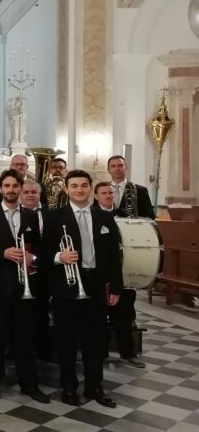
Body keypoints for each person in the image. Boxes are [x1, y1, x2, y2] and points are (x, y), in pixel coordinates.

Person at [42, 170, 122, 408]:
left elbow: (114, 256)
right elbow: (43, 252)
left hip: (96, 286)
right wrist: (59, 256)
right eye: (74, 186)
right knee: (66, 341)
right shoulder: (54, 217)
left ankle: (94, 386)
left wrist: (116, 287)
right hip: (66, 287)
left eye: (84, 185)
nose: (79, 190)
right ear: (67, 189)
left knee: (95, 340)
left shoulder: (104, 217)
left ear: (90, 188)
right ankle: (69, 387)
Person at [0, 170, 49, 404]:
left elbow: (39, 246)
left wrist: (33, 258)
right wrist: (2, 253)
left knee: (25, 338)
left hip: (24, 287)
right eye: (6, 186)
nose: (11, 190)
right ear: (0, 189)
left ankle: (29, 383)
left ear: (20, 188)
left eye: (15, 186)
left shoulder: (30, 216)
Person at [107, 155, 153, 369]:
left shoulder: (139, 190)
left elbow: (150, 218)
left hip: (129, 253)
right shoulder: (101, 190)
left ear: (126, 167)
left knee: (125, 306)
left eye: (120, 165)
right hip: (105, 254)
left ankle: (128, 352)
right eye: (113, 166)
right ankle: (100, 351)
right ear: (108, 169)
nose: (117, 169)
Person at [19, 179, 51, 361]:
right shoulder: (14, 213)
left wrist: (36, 258)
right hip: (18, 269)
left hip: (43, 270)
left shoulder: (50, 214)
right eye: (26, 192)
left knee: (41, 312)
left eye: (34, 192)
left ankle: (43, 349)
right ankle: (18, 350)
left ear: (40, 194)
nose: (30, 195)